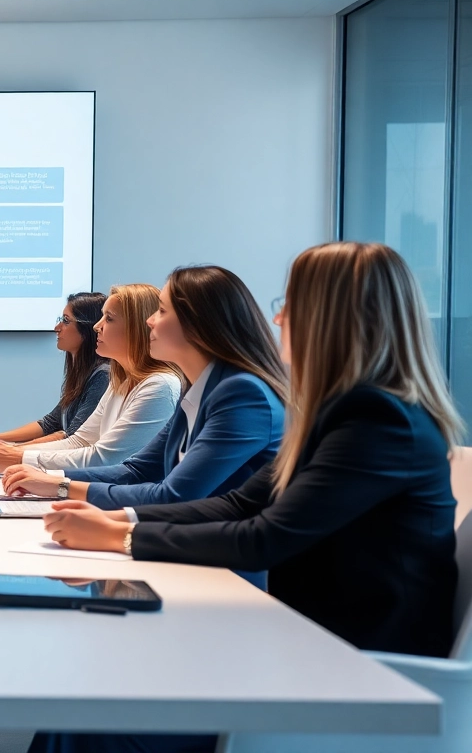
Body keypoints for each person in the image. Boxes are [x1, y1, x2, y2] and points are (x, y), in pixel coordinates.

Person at [31, 242, 462, 753]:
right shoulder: (343, 412)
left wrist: (125, 535)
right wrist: (120, 524)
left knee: (93, 709)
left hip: (349, 665)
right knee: (86, 699)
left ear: (329, 318)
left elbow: (265, 539)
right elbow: (240, 504)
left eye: (291, 304)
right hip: (305, 638)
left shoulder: (377, 421)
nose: (278, 317)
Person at [0, 267, 286, 512]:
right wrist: (52, 480)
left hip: (220, 568)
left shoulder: (243, 396)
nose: (149, 320)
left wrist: (61, 486)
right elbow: (139, 470)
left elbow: (173, 495)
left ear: (197, 325)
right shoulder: (198, 389)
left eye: (161, 311)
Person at [0, 284, 180, 473]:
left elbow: (103, 458)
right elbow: (79, 441)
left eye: (109, 319)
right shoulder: (121, 383)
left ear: (136, 327)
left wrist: (20, 457)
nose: (97, 327)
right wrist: (15, 453)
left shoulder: (159, 386)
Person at [0, 292, 109, 451]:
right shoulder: (83, 375)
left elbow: (70, 438)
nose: (56, 328)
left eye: (66, 321)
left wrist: (7, 449)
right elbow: (50, 423)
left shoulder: (102, 376)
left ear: (87, 329)